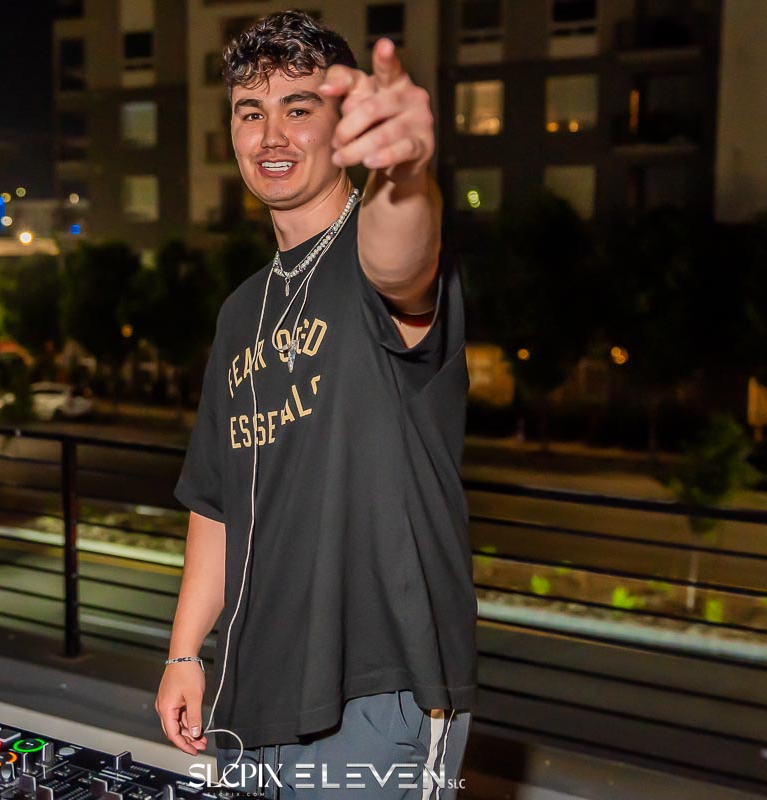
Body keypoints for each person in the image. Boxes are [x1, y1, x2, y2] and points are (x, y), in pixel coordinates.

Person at [155, 10, 476, 798]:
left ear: (342, 126)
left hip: (376, 686)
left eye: (299, 108)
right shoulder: (241, 311)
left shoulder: (369, 258)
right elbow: (215, 501)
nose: (272, 135)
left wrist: (405, 174)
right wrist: (185, 652)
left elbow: (403, 261)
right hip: (252, 692)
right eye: (250, 112)